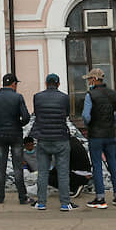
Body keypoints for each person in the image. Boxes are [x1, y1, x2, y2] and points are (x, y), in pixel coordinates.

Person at [29, 73, 78, 212]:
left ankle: (41, 203)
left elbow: (37, 114)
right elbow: (67, 114)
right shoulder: (64, 98)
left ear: (46, 84)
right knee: (63, 173)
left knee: (43, 172)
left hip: (43, 138)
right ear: (58, 84)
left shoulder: (37, 97)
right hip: (61, 139)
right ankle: (64, 203)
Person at [81, 68, 116, 209]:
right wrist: (111, 122)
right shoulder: (114, 94)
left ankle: (100, 199)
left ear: (94, 79)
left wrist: (91, 124)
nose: (88, 82)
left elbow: (85, 116)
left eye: (89, 79)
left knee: (97, 166)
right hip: (110, 134)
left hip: (95, 135)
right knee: (113, 164)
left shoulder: (90, 95)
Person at [0, 73, 31, 205]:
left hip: (0, 136)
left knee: (1, 167)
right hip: (16, 135)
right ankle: (22, 197)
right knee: (17, 168)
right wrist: (18, 124)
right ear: (14, 84)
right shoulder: (18, 97)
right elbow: (26, 117)